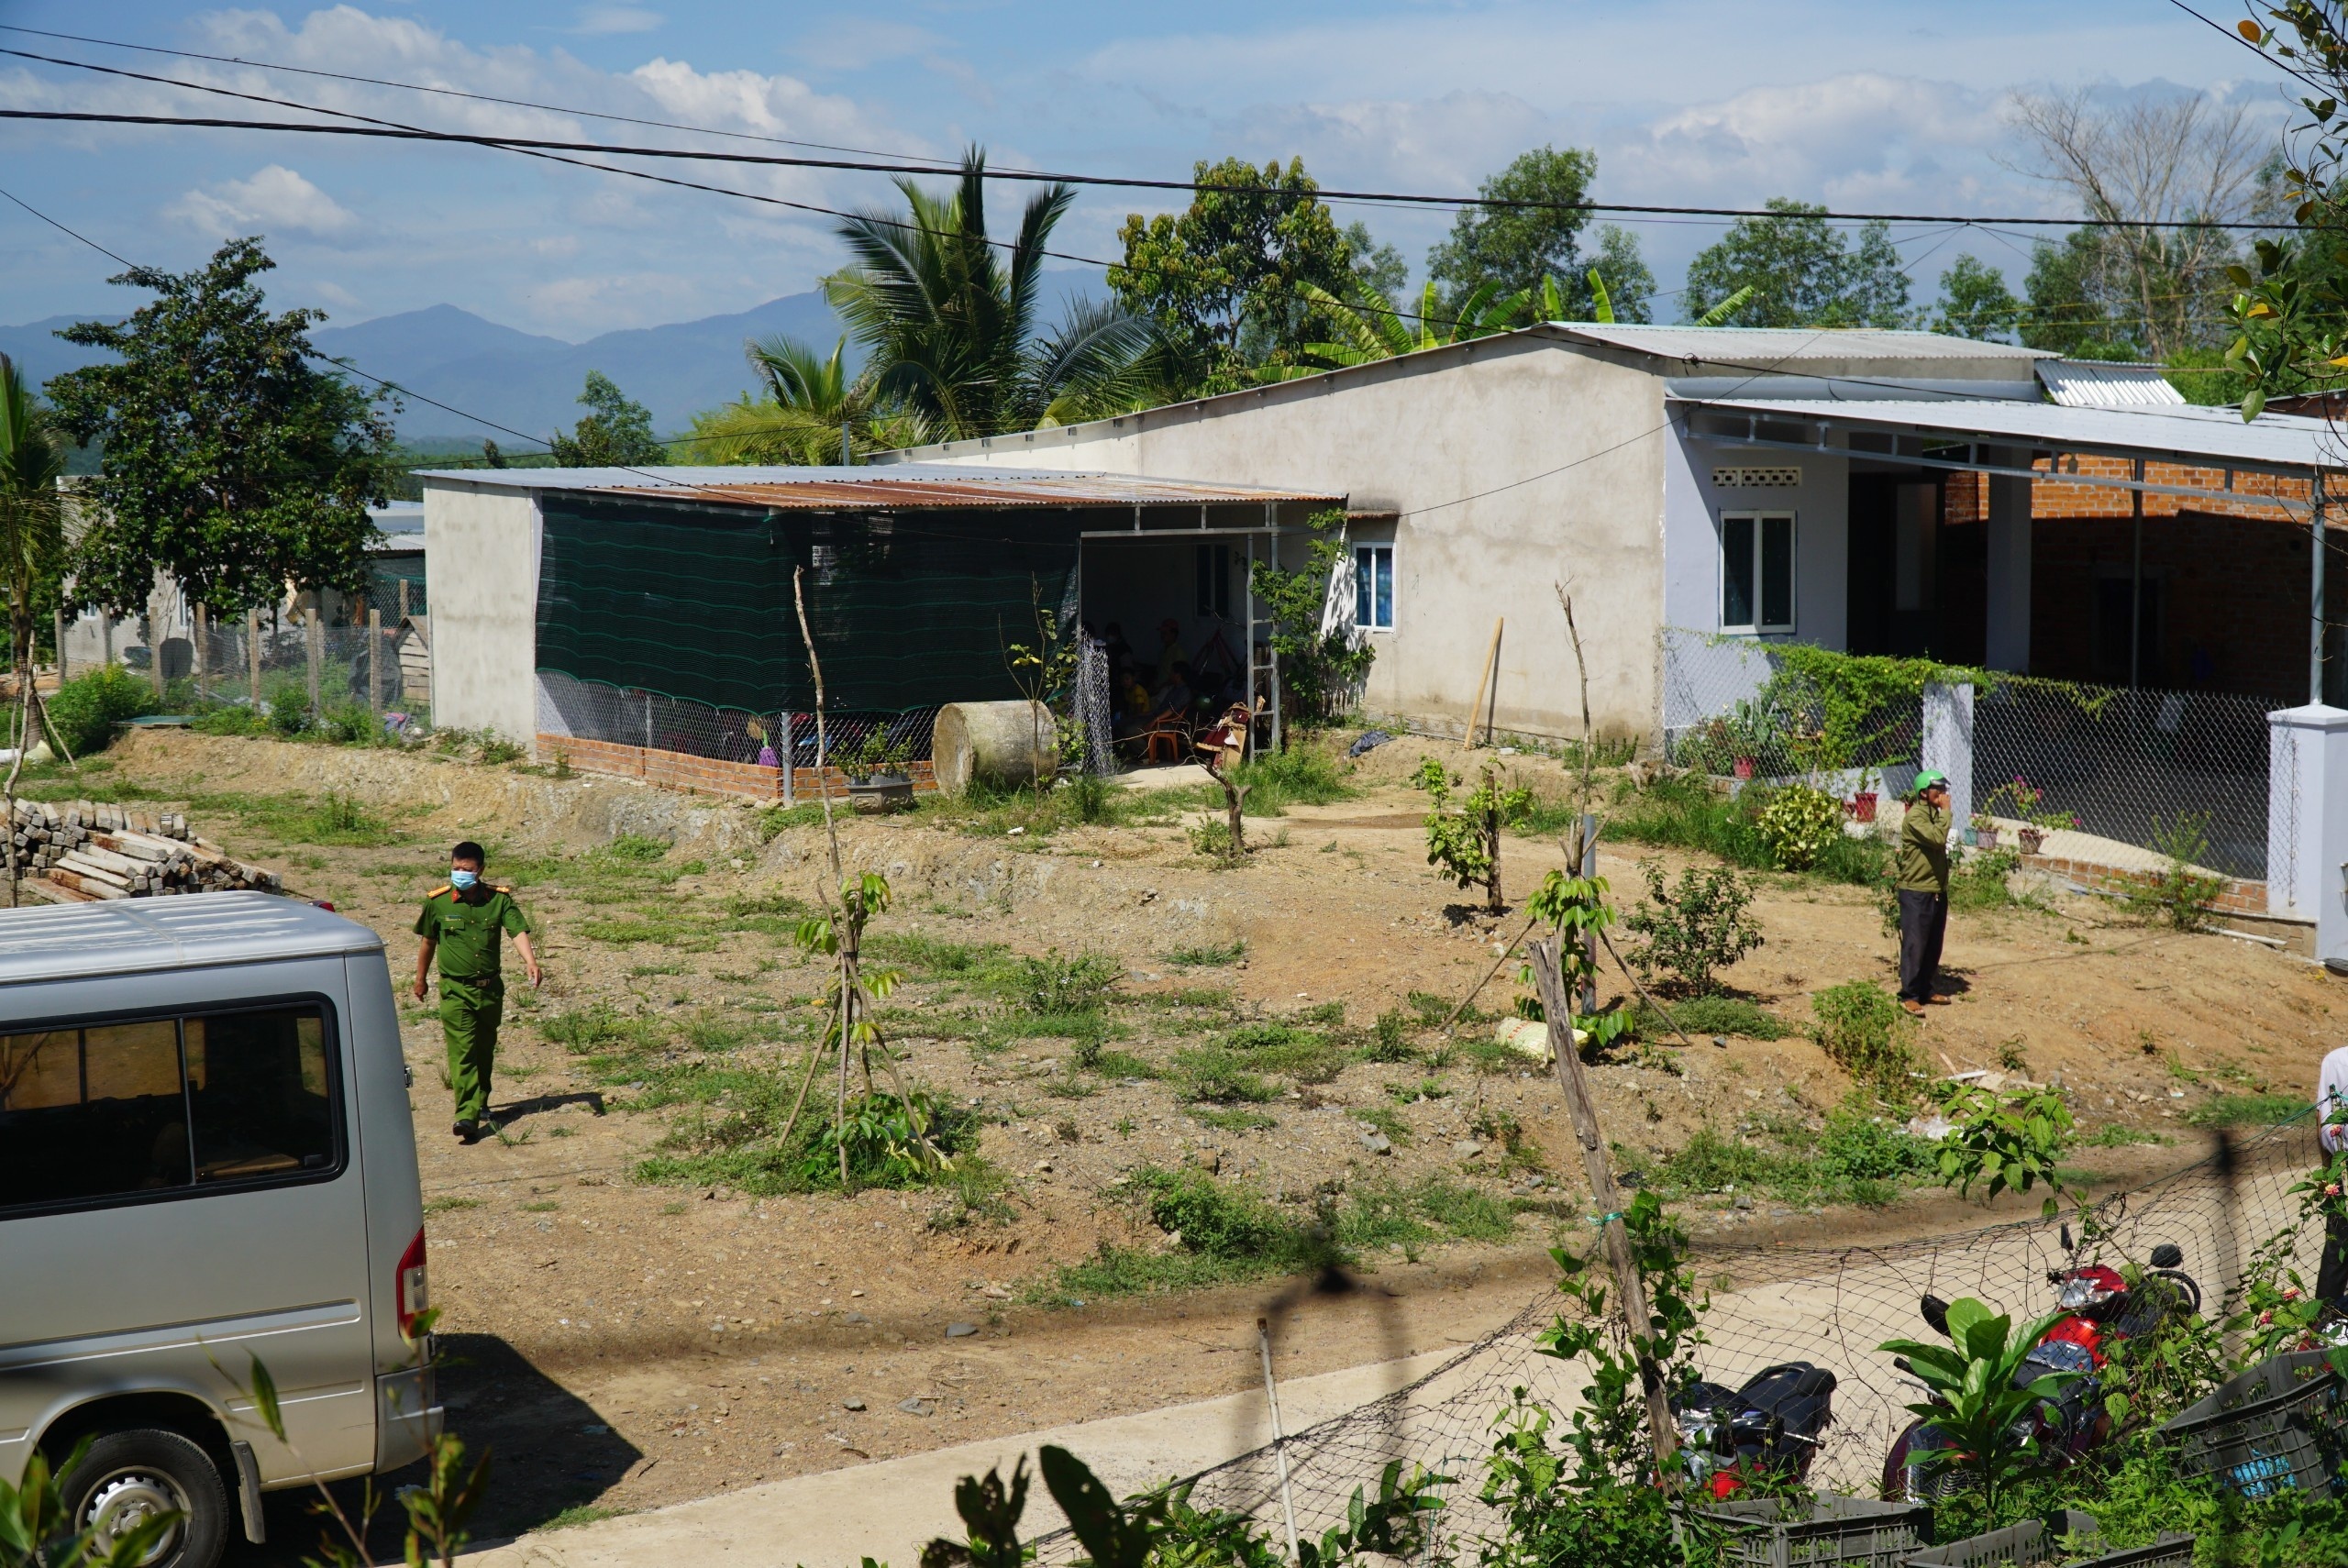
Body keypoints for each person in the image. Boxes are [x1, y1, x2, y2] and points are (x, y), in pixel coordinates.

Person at [415, 840, 541, 1143]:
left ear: (480, 870)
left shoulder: (499, 900)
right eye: (456, 869)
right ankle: (466, 1116)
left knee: (484, 1049)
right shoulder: (438, 902)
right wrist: (421, 979)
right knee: (462, 1052)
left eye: (467, 870)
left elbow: (517, 931)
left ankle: (481, 1102)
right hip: (455, 989)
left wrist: (531, 961)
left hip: (489, 990)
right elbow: (428, 943)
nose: (460, 874)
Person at [1896, 770, 1955, 1017]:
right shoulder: (1915, 819)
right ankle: (1909, 995)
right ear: (1923, 793)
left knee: (1933, 943)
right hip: (1916, 890)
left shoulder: (1933, 815)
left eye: (1943, 790)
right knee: (1915, 944)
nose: (1942, 795)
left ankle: (1926, 989)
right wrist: (1947, 812)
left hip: (1936, 890)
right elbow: (1938, 838)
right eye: (1937, 790)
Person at [2318, 1043, 2348, 1309]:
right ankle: (2324, 1319)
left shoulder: (2335, 1060)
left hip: (2339, 1165)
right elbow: (2323, 1119)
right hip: (2343, 1165)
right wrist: (2330, 1174)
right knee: (2338, 1242)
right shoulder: (2336, 1060)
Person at [1154, 618, 1187, 687]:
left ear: (1173, 634)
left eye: (1165, 633)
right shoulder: (1163, 650)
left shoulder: (1178, 652)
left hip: (1169, 689)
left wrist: (1160, 688)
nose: (1162, 635)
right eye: (1162, 633)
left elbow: (1177, 677)